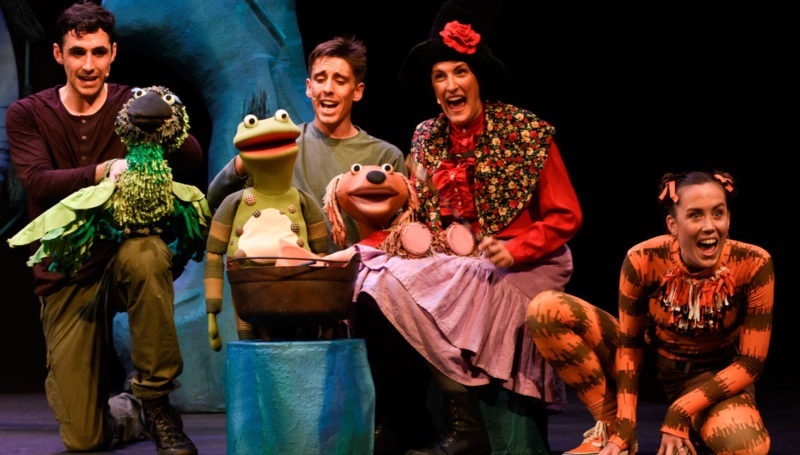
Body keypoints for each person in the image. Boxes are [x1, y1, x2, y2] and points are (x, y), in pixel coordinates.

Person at [353, 1, 584, 453]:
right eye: (439, 76)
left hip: (525, 263)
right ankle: (423, 421)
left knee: (430, 283)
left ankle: (467, 426)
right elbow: (421, 215)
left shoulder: (525, 132)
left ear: (478, 78)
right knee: (375, 278)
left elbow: (565, 215)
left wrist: (515, 249)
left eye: (459, 72)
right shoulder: (426, 137)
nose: (450, 85)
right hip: (457, 261)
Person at [5, 2, 200, 454]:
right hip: (66, 271)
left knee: (148, 253)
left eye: (98, 52)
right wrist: (103, 170)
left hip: (122, 256)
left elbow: (191, 158)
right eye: (78, 53)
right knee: (83, 437)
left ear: (113, 54)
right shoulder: (28, 113)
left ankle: (157, 400)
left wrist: (169, 128)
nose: (88, 65)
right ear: (59, 54)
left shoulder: (134, 104)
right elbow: (37, 182)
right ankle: (132, 411)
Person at [527, 170, 774, 455]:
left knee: (749, 449)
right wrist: (625, 427)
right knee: (546, 309)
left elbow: (750, 363)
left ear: (728, 218)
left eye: (717, 213)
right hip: (652, 369)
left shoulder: (754, 263)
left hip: (712, 378)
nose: (709, 226)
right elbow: (629, 346)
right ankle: (611, 430)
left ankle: (696, 430)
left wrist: (681, 410)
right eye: (695, 215)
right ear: (673, 224)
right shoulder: (643, 259)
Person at [206, 34, 407, 251]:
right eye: (320, 79)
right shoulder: (283, 144)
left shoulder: (384, 156)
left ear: (357, 91)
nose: (328, 88)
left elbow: (399, 232)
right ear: (309, 88)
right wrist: (246, 159)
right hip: (290, 268)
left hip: (358, 270)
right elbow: (215, 200)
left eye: (340, 81)